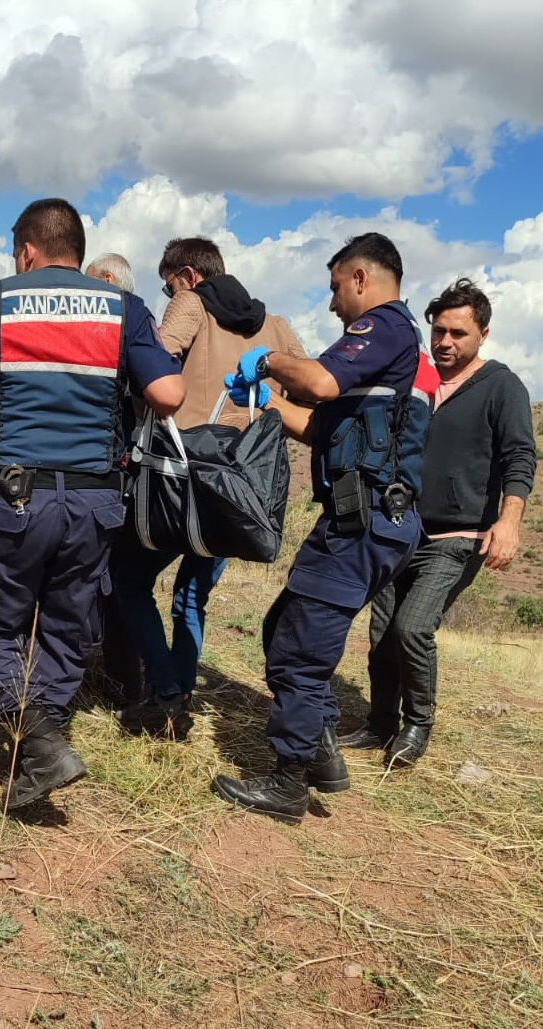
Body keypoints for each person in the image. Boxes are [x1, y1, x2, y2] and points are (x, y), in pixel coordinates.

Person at [0, 198, 184, 809]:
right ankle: (38, 750)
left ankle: (39, 737)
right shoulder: (123, 309)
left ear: (26, 251)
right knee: (66, 627)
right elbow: (170, 393)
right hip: (95, 504)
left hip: (17, 500)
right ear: (77, 250)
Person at [210, 232, 439, 824]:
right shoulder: (382, 353)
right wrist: (263, 401)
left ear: (361, 278)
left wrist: (266, 358)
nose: (334, 303)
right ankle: (322, 750)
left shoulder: (384, 326)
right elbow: (318, 425)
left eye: (337, 288)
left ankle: (288, 781)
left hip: (362, 523)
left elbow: (318, 382)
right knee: (283, 623)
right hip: (358, 519)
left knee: (299, 650)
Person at [110, 237, 308, 738]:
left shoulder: (191, 303)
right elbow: (307, 384)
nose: (167, 292)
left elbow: (153, 359)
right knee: (191, 597)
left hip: (184, 476)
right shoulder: (277, 325)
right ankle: (178, 692)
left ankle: (166, 692)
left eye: (167, 283)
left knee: (127, 579)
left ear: (190, 276)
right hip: (241, 488)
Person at [341, 278, 536, 766]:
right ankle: (379, 722)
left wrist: (508, 522)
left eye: (458, 333)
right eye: (439, 331)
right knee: (382, 631)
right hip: (399, 526)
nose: (446, 342)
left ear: (483, 335)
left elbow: (519, 457)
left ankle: (418, 724)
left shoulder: (502, 387)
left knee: (412, 628)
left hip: (459, 536)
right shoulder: (417, 378)